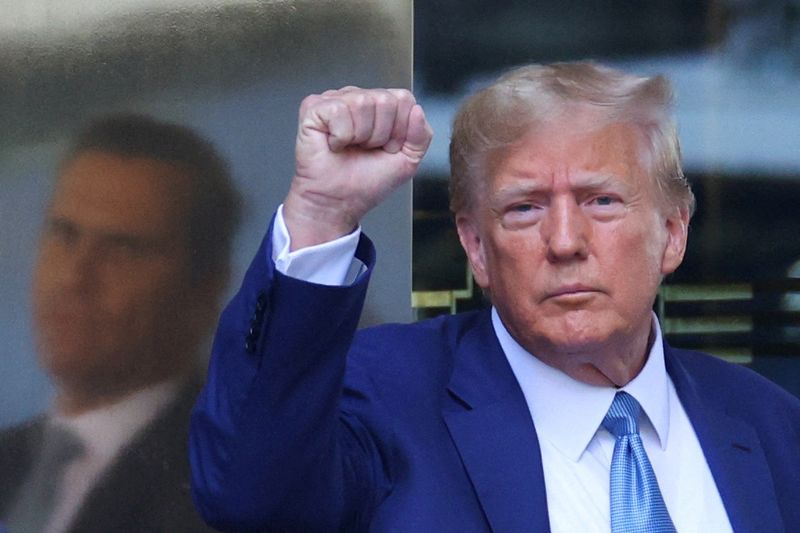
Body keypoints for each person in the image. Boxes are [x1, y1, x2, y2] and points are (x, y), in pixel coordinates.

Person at [190, 64, 800, 532]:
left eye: (602, 201)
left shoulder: (771, 424)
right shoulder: (384, 396)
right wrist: (322, 213)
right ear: (476, 248)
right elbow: (249, 495)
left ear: (672, 233)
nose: (565, 241)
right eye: (524, 208)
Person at [0, 114, 240, 533]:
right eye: (64, 234)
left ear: (204, 289)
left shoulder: (230, 490)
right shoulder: (12, 459)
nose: (75, 277)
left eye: (123, 249)